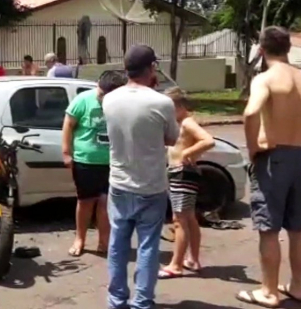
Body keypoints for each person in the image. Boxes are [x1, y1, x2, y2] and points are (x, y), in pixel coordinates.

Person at [235, 26, 301, 308]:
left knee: (268, 227)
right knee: (297, 225)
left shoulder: (265, 79)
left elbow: (250, 111)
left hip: (275, 156)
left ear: (261, 49)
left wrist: (253, 147)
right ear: (288, 48)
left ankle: (268, 292)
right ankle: (298, 287)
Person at [102, 44, 180, 309]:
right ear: (152, 68)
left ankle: (116, 300)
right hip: (151, 186)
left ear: (126, 69)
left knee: (118, 244)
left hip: (120, 184)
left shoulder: (109, 99)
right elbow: (171, 138)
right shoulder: (162, 102)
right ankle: (142, 303)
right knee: (148, 247)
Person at [63, 70, 127, 257]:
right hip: (86, 161)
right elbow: (68, 124)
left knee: (106, 203)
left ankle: (104, 240)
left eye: (105, 96)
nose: (102, 98)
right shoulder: (83, 100)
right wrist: (66, 152)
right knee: (85, 202)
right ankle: (80, 238)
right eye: (100, 94)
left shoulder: (119, 104)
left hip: (112, 162)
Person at [158, 87, 214, 279]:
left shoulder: (188, 122)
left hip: (183, 173)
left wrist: (187, 153)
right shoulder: (179, 123)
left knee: (179, 220)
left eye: (170, 108)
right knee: (189, 218)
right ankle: (193, 259)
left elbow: (208, 140)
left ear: (180, 106)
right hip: (179, 173)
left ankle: (176, 264)